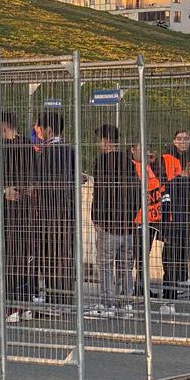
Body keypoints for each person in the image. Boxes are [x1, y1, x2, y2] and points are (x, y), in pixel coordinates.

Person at [87, 124, 141, 319]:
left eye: (100, 140)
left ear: (107, 140)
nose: (98, 144)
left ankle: (107, 303)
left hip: (109, 225)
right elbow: (136, 191)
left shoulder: (102, 161)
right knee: (126, 266)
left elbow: (101, 191)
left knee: (106, 265)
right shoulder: (129, 162)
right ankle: (126, 304)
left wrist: (97, 217)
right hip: (127, 226)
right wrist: (131, 216)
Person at [0, 112, 35, 322]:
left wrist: (3, 191)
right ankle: (24, 305)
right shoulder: (29, 147)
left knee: (8, 258)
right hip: (26, 211)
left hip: (8, 212)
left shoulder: (0, 150)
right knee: (23, 258)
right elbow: (35, 179)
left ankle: (10, 308)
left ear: (3, 126)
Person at [32, 111, 77, 306]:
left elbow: (39, 182)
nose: (39, 134)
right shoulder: (70, 150)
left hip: (49, 211)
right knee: (64, 254)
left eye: (40, 130)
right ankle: (64, 296)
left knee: (50, 255)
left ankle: (53, 297)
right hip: (67, 211)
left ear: (49, 130)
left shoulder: (45, 152)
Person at [159, 153, 190, 314]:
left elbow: (165, 209)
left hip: (174, 233)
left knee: (170, 267)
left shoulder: (170, 185)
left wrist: (164, 231)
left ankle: (168, 301)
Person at [130, 143, 165, 300]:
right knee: (133, 255)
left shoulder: (150, 167)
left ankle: (141, 287)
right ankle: (130, 288)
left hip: (151, 218)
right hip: (138, 219)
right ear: (132, 150)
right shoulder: (132, 167)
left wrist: (153, 161)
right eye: (140, 150)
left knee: (144, 255)